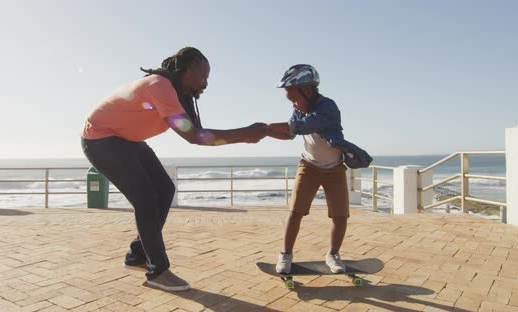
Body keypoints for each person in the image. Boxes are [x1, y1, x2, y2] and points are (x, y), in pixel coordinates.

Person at [80, 47, 268, 291]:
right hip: (101, 139)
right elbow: (193, 136)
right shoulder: (160, 86)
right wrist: (245, 134)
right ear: (185, 71)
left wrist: (246, 135)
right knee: (146, 198)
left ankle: (137, 254)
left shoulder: (178, 94)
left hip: (127, 140)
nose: (206, 82)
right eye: (203, 75)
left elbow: (196, 132)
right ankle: (158, 271)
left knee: (164, 188)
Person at [266, 64, 352, 274]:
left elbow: (303, 126)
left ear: (309, 91)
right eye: (290, 100)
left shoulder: (328, 107)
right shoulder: (298, 109)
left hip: (334, 168)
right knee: (295, 211)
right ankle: (285, 254)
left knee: (340, 215)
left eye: (294, 98)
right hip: (309, 166)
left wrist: (263, 128)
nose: (293, 104)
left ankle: (333, 255)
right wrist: (266, 133)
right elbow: (289, 133)